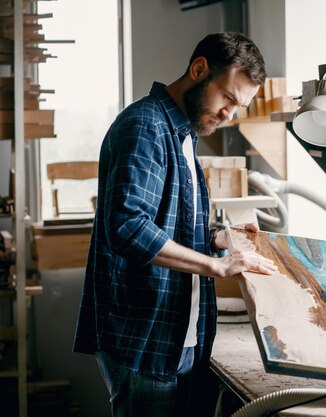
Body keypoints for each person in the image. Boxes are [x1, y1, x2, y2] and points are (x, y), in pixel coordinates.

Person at [73, 32, 278, 417]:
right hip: (145, 337)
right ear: (199, 69)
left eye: (239, 107)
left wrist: (220, 238)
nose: (228, 115)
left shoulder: (183, 133)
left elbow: (171, 224)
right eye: (229, 98)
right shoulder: (145, 126)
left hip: (178, 337)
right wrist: (217, 267)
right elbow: (128, 227)